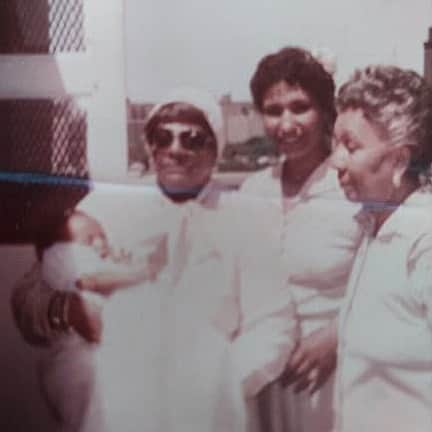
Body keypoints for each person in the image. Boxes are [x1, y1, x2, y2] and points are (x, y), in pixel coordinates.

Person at [12, 88, 298, 432]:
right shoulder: (105, 208)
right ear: (150, 146)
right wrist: (65, 310)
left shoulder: (245, 219)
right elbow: (28, 298)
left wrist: (208, 387)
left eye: (193, 139)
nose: (175, 149)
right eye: (163, 137)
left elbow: (273, 325)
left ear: (215, 150)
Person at [240, 47, 363, 432]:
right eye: (274, 111)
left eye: (300, 107)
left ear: (326, 111)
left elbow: (386, 283)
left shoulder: (353, 188)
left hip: (332, 375)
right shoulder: (252, 190)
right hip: (261, 377)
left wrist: (336, 335)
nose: (286, 123)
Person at [331, 65, 432, 432]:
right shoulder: (374, 227)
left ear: (400, 160)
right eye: (335, 144)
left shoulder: (423, 241)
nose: (336, 161)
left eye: (351, 146)